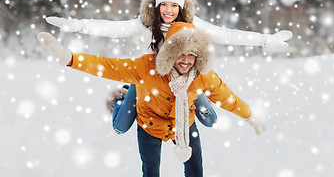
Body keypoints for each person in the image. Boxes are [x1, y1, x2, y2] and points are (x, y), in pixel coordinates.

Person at [45, 0, 291, 134]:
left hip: (186, 80)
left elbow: (227, 35)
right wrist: (77, 25)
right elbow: (112, 29)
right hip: (147, 79)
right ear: (158, 4)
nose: (169, 10)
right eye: (165, 4)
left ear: (181, 7)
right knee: (120, 127)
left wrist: (266, 40)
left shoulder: (193, 25)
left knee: (211, 120)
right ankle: (123, 97)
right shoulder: (144, 25)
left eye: (174, 5)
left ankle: (184, 108)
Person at [38, 22, 266, 177]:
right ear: (169, 52)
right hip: (149, 123)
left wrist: (250, 116)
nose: (186, 60)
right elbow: (108, 66)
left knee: (195, 168)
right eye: (181, 53)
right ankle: (124, 99)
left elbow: (228, 97)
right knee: (150, 169)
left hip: (184, 122)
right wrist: (69, 58)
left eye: (192, 55)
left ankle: (198, 100)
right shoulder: (147, 67)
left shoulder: (203, 75)